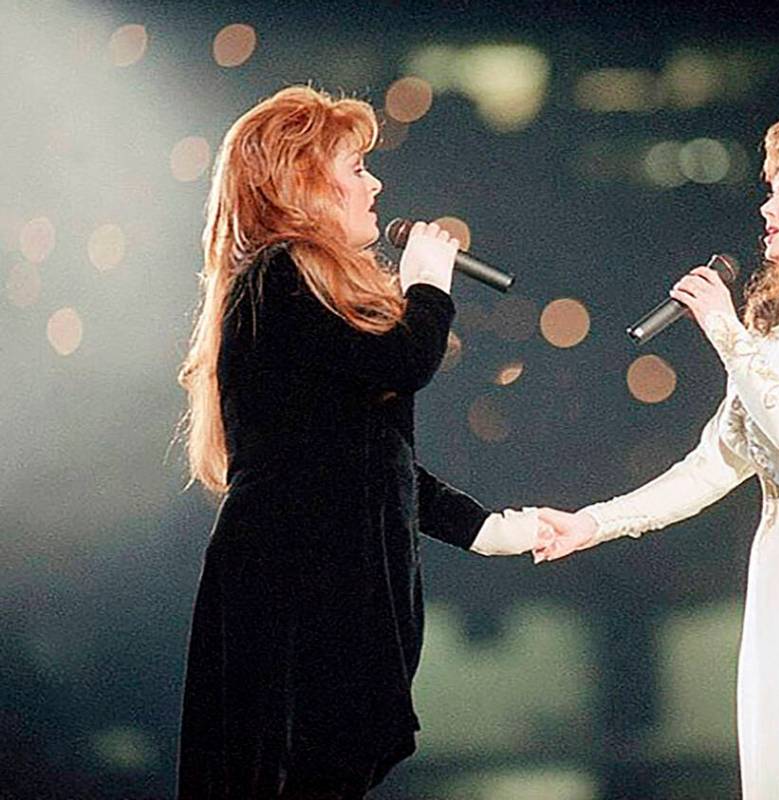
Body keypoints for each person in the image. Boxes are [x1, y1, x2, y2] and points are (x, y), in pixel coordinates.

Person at [535, 105, 779, 798]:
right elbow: (712, 464)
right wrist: (593, 523)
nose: (766, 206)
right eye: (772, 188)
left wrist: (724, 328)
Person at [175, 86, 541, 800]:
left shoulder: (300, 289)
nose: (375, 184)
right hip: (292, 593)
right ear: (303, 181)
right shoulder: (278, 278)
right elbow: (404, 363)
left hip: (322, 589)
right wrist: (428, 290)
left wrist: (485, 530)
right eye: (356, 167)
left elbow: (367, 451)